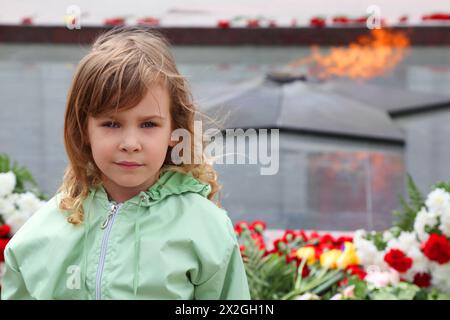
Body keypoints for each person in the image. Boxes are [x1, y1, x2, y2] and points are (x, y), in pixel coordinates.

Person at [1, 26, 251, 300]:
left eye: (148, 124)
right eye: (111, 123)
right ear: (84, 130)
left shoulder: (207, 229)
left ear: (174, 130)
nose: (130, 142)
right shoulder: (40, 234)